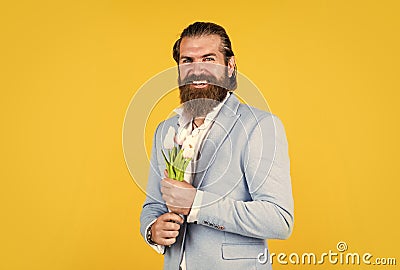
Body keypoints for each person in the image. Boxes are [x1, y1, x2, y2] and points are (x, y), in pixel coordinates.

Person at [140, 22, 294, 270]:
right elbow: (153, 205)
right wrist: (152, 230)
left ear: (230, 66)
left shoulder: (261, 126)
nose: (197, 69)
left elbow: (279, 219)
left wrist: (197, 205)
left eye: (208, 59)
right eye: (187, 60)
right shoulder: (165, 131)